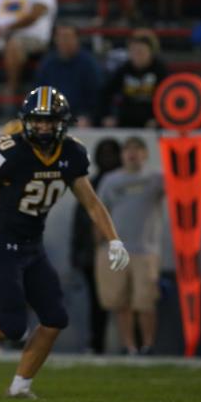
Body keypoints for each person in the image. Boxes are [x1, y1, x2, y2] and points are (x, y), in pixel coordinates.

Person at [0, 86, 130, 399]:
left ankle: (19, 386)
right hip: (2, 243)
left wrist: (114, 240)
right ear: (26, 121)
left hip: (33, 245)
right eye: (37, 120)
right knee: (13, 327)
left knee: (55, 319)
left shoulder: (72, 153)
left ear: (62, 122)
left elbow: (92, 202)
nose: (42, 126)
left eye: (49, 120)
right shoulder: (9, 149)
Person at [96, 136, 165, 355]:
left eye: (137, 148)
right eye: (128, 149)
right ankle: (129, 346)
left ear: (145, 153)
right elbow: (99, 212)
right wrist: (99, 244)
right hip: (115, 250)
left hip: (145, 250)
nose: (132, 153)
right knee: (120, 302)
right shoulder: (110, 180)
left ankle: (148, 344)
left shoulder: (156, 178)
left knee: (145, 303)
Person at [70, 137, 122, 354]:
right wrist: (77, 252)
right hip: (93, 254)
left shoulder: (123, 182)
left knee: (126, 301)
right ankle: (96, 343)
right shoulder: (90, 184)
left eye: (111, 153)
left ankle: (132, 345)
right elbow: (80, 221)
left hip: (120, 250)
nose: (107, 158)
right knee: (97, 302)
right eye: (103, 153)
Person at [34, 24, 104, 127]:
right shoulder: (48, 64)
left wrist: (88, 115)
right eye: (60, 37)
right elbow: (39, 92)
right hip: (53, 116)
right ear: (55, 40)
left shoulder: (89, 64)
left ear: (76, 40)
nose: (64, 41)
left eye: (67, 37)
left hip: (80, 116)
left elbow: (97, 95)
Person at [101, 30, 169, 128]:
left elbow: (167, 98)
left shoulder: (160, 70)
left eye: (141, 51)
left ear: (150, 52)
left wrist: (159, 118)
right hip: (126, 120)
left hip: (151, 120)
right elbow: (106, 93)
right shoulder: (124, 69)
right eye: (133, 51)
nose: (137, 55)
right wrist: (107, 116)